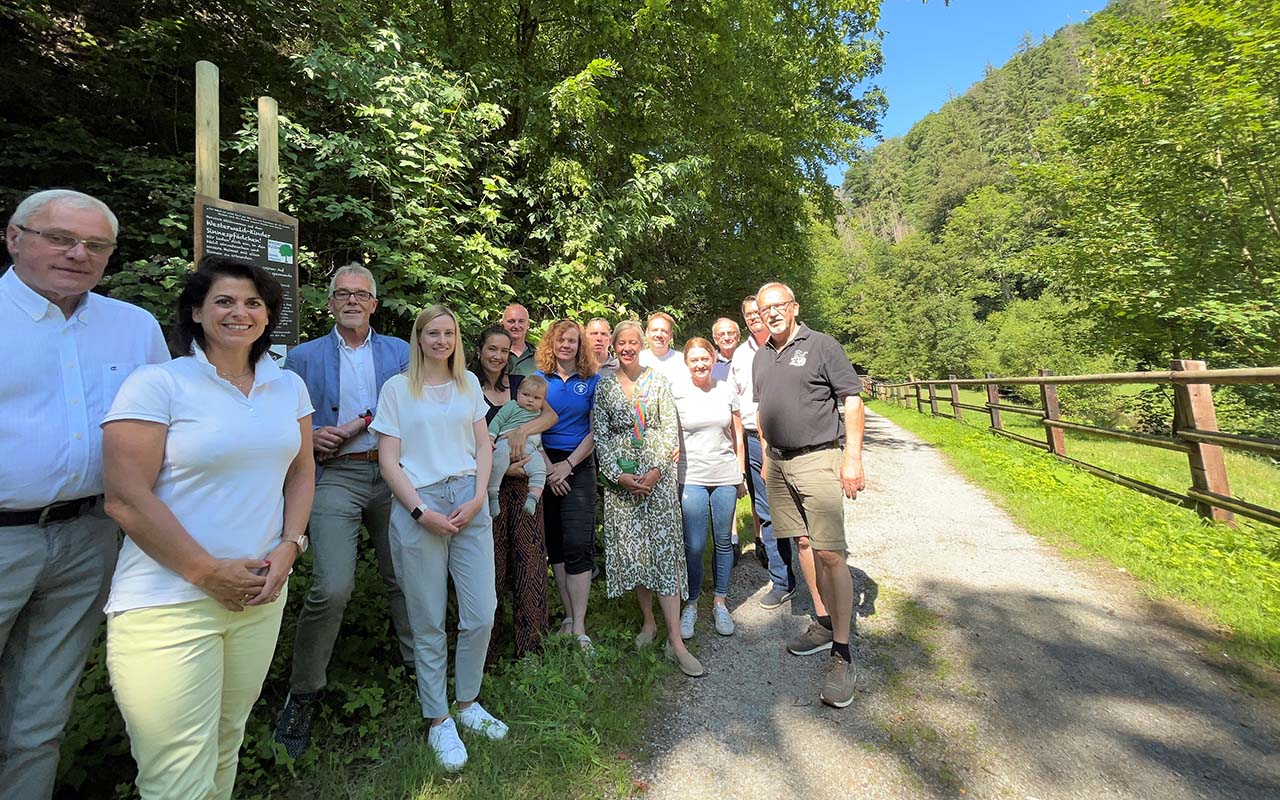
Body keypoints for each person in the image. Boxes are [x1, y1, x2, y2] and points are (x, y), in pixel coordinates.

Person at [101, 255, 315, 798]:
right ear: (196, 310)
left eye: (253, 303)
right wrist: (204, 571)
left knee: (226, 742)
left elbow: (301, 470)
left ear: (269, 316)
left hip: (259, 597)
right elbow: (125, 498)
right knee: (176, 772)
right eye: (224, 300)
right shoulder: (158, 384)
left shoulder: (286, 387)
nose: (239, 312)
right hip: (168, 603)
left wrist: (290, 546)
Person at [0, 189, 168, 800]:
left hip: (90, 535)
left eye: (95, 245)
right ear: (14, 236)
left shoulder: (133, 328)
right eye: (58, 237)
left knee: (41, 710)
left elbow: (164, 431)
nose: (78, 253)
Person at [272, 262, 416, 758]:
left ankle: (422, 672)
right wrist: (310, 438)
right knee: (332, 586)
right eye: (342, 294)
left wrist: (359, 423)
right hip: (333, 476)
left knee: (404, 575)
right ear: (330, 303)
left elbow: (414, 404)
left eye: (361, 294)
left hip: (394, 472)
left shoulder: (400, 351)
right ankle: (304, 693)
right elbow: (276, 419)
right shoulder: (301, 357)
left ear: (374, 304)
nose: (352, 301)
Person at [371, 304, 504, 772]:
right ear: (419, 337)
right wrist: (419, 510)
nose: (441, 341)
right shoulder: (396, 389)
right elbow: (388, 460)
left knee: (481, 610)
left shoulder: (468, 384)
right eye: (433, 333)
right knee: (427, 618)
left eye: (448, 333)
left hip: (469, 501)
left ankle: (467, 702)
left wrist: (478, 497)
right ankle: (438, 718)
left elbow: (484, 446)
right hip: (419, 503)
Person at [752, 281, 866, 709]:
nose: (773, 313)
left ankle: (842, 652)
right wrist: (765, 456)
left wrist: (852, 458)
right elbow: (763, 411)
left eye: (780, 305)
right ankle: (821, 622)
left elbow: (851, 401)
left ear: (794, 307)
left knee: (831, 552)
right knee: (801, 542)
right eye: (766, 309)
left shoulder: (821, 345)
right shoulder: (762, 356)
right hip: (778, 464)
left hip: (819, 458)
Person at [593, 322, 704, 677]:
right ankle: (648, 623)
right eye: (621, 343)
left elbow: (669, 428)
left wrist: (655, 471)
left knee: (664, 553)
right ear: (614, 345)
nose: (626, 348)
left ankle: (676, 640)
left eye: (632, 343)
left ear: (641, 345)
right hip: (622, 482)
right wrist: (618, 475)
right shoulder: (605, 385)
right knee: (636, 553)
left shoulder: (656, 381)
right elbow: (600, 432)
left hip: (656, 479)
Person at [469, 326, 557, 665]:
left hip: (525, 490)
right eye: (492, 348)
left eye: (504, 351)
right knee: (490, 568)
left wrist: (521, 430)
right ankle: (484, 655)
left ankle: (530, 649)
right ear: (480, 350)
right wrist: (504, 468)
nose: (497, 356)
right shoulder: (468, 387)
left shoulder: (522, 385)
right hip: (487, 486)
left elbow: (550, 415)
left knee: (530, 563)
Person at [675, 338, 746, 641]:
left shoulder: (726, 389)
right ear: (687, 363)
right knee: (693, 544)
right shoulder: (677, 392)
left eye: (705, 358)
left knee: (723, 541)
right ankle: (691, 603)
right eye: (694, 360)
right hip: (690, 475)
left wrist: (740, 473)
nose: (701, 364)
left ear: (714, 359)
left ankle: (720, 601)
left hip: (725, 474)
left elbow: (738, 434)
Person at [535, 319, 600, 650]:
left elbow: (594, 430)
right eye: (560, 339)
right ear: (551, 342)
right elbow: (530, 425)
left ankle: (580, 626)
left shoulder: (592, 380)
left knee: (578, 543)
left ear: (580, 345)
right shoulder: (539, 379)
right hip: (544, 464)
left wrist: (567, 466)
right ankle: (567, 617)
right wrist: (549, 470)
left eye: (572, 340)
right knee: (556, 546)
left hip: (579, 464)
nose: (566, 345)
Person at [730, 294, 796, 608]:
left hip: (790, 435)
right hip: (754, 438)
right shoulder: (741, 356)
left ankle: (818, 570)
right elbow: (734, 400)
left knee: (799, 509)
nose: (755, 316)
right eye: (749, 313)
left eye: (760, 310)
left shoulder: (787, 344)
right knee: (767, 512)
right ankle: (782, 580)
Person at [486, 373, 550, 516]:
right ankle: (493, 494)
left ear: (543, 401)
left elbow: (539, 436)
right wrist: (491, 436)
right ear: (518, 393)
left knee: (540, 469)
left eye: (536, 398)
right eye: (526, 395)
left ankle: (533, 497)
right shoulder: (512, 406)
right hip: (506, 442)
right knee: (498, 460)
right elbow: (498, 420)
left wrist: (540, 452)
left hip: (530, 449)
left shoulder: (539, 414)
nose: (530, 400)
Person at [639, 311, 688, 392]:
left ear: (671, 335)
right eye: (654, 330)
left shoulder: (682, 361)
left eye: (664, 331)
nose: (659, 335)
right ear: (647, 332)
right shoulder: (637, 360)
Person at [503, 303, 537, 376]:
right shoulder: (495, 355)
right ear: (502, 324)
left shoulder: (540, 357)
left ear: (528, 324)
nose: (516, 326)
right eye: (511, 321)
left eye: (521, 321)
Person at [710, 317, 740, 382]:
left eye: (730, 333)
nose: (726, 338)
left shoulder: (749, 358)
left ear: (738, 337)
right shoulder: (709, 362)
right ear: (715, 339)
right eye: (721, 334)